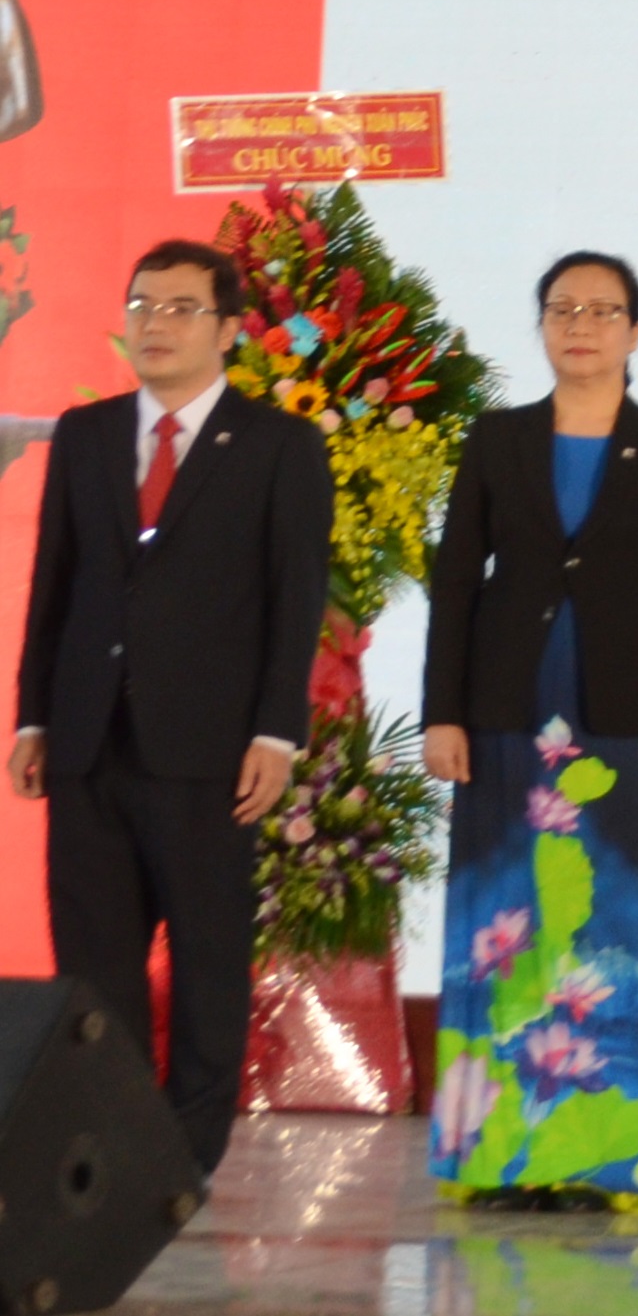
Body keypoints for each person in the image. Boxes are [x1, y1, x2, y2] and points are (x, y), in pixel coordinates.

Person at [11, 240, 332, 1178]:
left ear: (230, 329)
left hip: (209, 751)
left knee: (205, 969)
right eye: (143, 304)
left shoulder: (281, 445)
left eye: (182, 307)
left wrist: (277, 730)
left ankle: (181, 1163)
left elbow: (294, 598)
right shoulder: (87, 433)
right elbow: (53, 586)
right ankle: (105, 1153)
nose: (156, 323)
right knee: (94, 971)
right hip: (86, 742)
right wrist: (34, 717)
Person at [421, 252, 638, 1212]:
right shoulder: (496, 439)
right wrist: (443, 712)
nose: (581, 324)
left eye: (603, 310)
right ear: (542, 325)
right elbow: (458, 583)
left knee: (609, 929)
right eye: (562, 308)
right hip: (506, 711)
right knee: (505, 924)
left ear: (636, 331)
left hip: (627, 723)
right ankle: (503, 1153)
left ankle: (608, 1154)